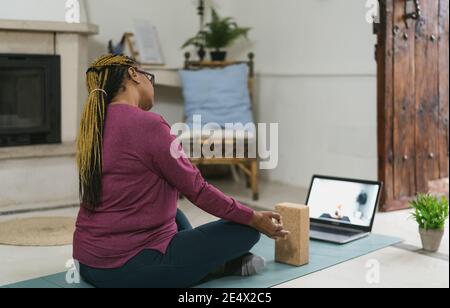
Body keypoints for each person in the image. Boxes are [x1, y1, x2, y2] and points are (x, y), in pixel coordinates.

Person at [72, 54, 289, 288]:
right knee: (246, 231)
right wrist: (254, 218)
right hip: (126, 271)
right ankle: (212, 266)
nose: (150, 83)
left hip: (87, 264)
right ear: (134, 75)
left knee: (173, 212)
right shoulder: (150, 125)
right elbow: (198, 190)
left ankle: (205, 265)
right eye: (148, 76)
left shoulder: (92, 126)